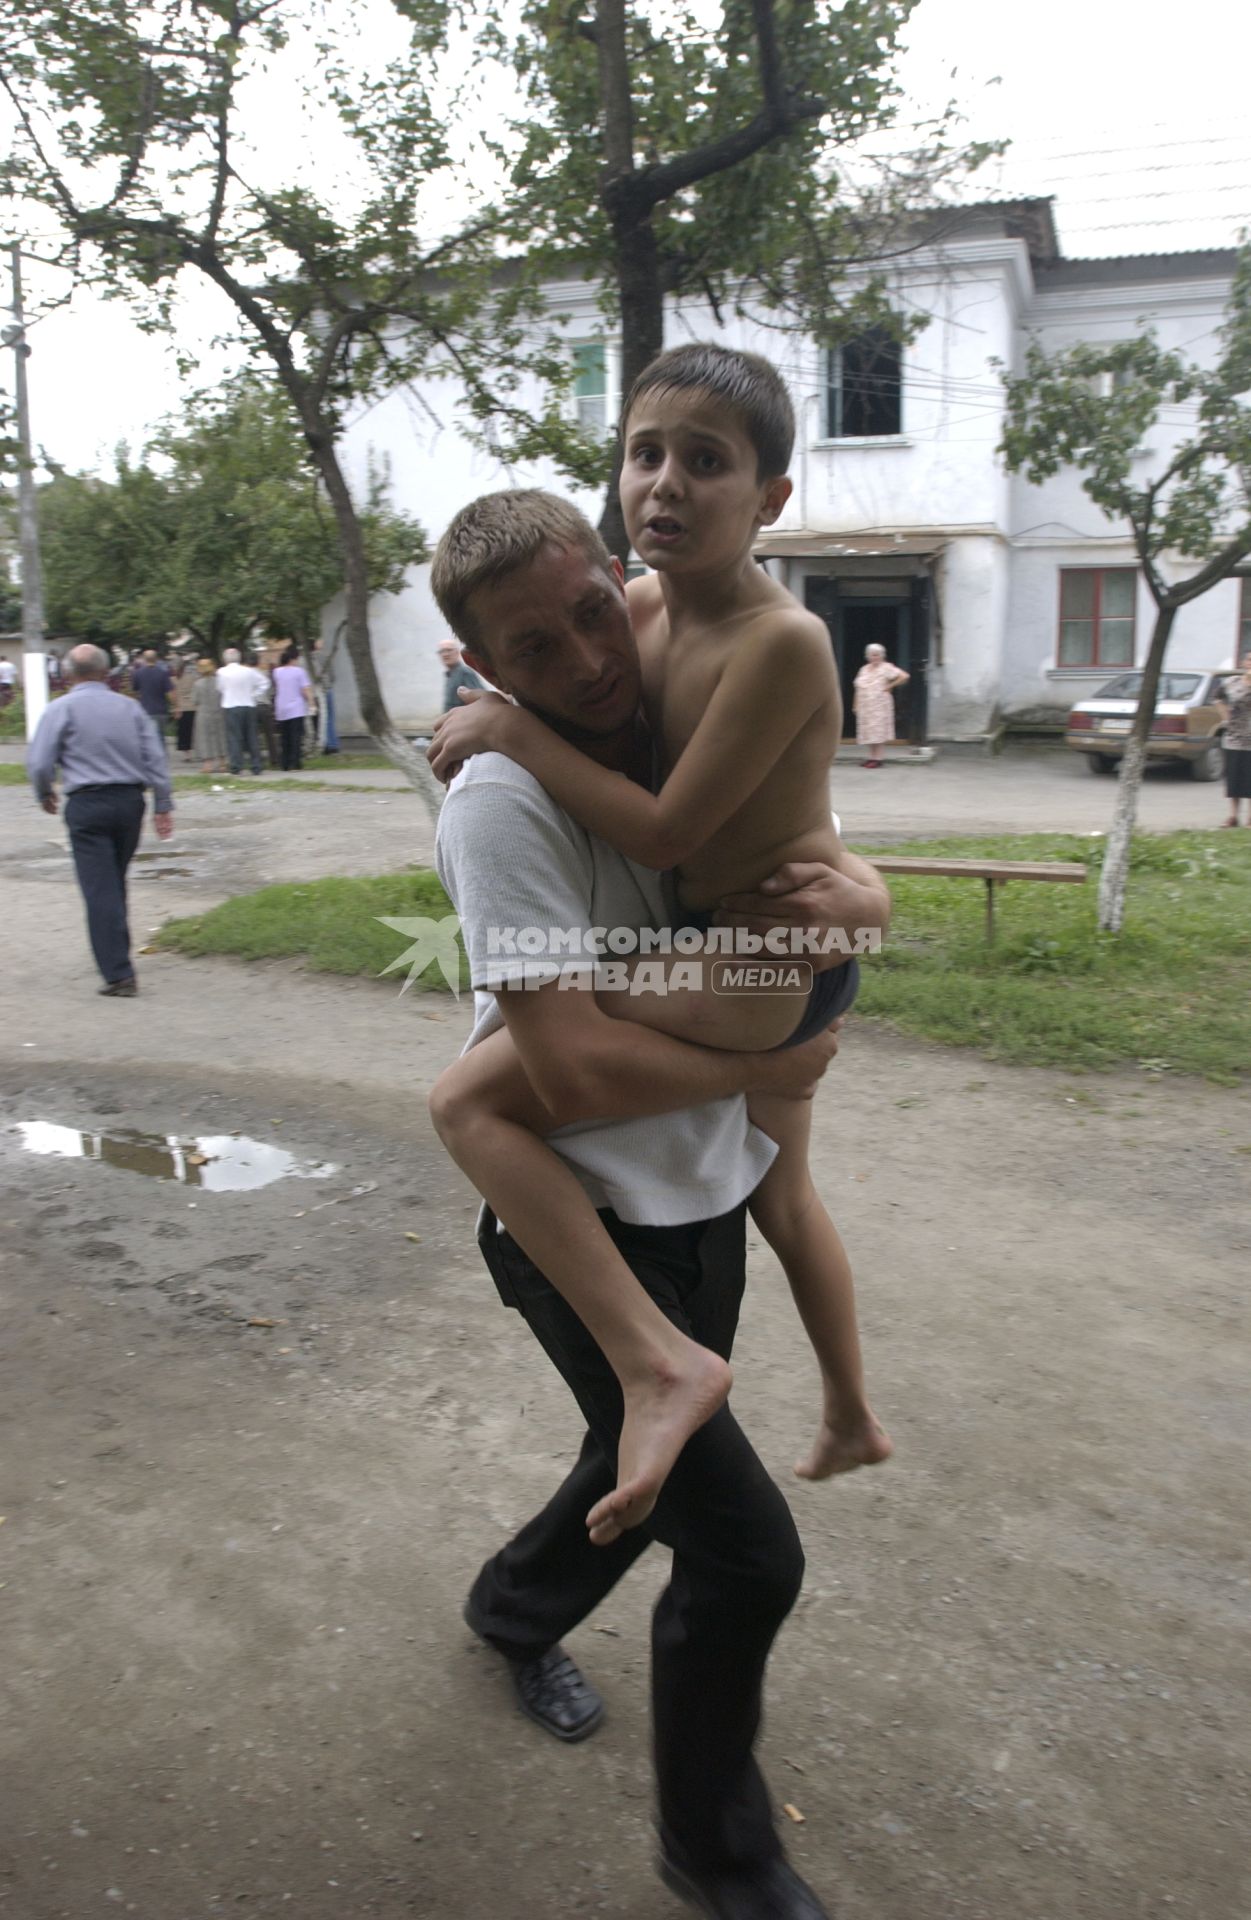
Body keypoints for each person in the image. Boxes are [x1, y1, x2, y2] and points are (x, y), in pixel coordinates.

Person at [428, 492, 886, 1920]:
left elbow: (788, 870)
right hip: (580, 1231)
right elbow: (557, 1063)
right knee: (747, 1557)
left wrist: (850, 900)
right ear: (486, 675)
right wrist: (778, 1049)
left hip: (698, 1194)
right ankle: (717, 1854)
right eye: (531, 649)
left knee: (623, 1459)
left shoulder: (668, 720)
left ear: (619, 580)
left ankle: (509, 1612)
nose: (580, 658)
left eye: (585, 610)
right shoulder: (499, 797)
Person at [430, 349, 892, 1546]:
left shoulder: (779, 639)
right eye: (647, 454)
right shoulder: (638, 613)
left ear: (770, 495)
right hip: (750, 967)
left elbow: (683, 825)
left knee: (472, 1102)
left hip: (754, 965)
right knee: (784, 1193)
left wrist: (868, 900)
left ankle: (663, 1369)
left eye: (706, 460)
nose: (669, 483)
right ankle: (836, 1405)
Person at [26, 642, 174, 995]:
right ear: (107, 673)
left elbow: (39, 762)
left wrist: (44, 792)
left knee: (99, 887)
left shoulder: (60, 709)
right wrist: (163, 804)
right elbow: (155, 758)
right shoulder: (131, 709)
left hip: (87, 805)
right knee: (114, 880)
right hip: (129, 803)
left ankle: (119, 973)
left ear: (67, 675)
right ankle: (116, 951)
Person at [852, 641, 909, 769]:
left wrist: (890, 686)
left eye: (877, 655)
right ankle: (871, 757)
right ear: (868, 656)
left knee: (878, 731)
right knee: (868, 732)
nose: (875, 657)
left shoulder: (886, 667)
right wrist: (855, 704)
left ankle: (878, 758)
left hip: (879, 705)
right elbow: (858, 687)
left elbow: (904, 676)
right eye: (872, 655)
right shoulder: (864, 669)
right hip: (865, 705)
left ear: (882, 656)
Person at [216, 646, 267, 775]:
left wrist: (228, 692)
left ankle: (236, 766)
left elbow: (220, 688)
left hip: (231, 705)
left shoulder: (222, 672)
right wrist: (254, 694)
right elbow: (264, 682)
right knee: (252, 736)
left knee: (234, 737)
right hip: (249, 705)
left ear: (225, 659)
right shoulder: (248, 671)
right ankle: (256, 765)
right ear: (239, 658)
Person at [1215, 651, 1251, 827]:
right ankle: (1233, 816)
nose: (1250, 663)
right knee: (1234, 779)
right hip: (1234, 738)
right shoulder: (1232, 682)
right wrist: (1225, 718)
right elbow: (1217, 697)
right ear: (1244, 662)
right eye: (1249, 659)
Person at [272, 644, 313, 770]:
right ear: (292, 659)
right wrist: (311, 702)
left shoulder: (276, 672)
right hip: (296, 708)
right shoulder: (299, 672)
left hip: (281, 708)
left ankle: (284, 763)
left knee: (284, 737)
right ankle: (295, 762)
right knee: (295, 736)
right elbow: (305, 689)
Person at [191, 656, 227, 771]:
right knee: (220, 736)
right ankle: (223, 762)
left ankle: (208, 764)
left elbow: (194, 701)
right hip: (218, 711)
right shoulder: (219, 682)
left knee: (204, 738)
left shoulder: (197, 684)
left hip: (203, 713)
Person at [129, 648, 174, 738]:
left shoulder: (137, 673)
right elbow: (170, 692)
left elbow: (134, 693)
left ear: (144, 659)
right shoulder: (163, 673)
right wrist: (176, 706)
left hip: (145, 711)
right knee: (160, 738)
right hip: (161, 711)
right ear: (156, 659)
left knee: (147, 738)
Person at [437, 635, 485, 712]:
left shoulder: (465, 673)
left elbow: (480, 701)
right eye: (442, 651)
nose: (445, 654)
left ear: (457, 653)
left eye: (449, 650)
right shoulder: (450, 675)